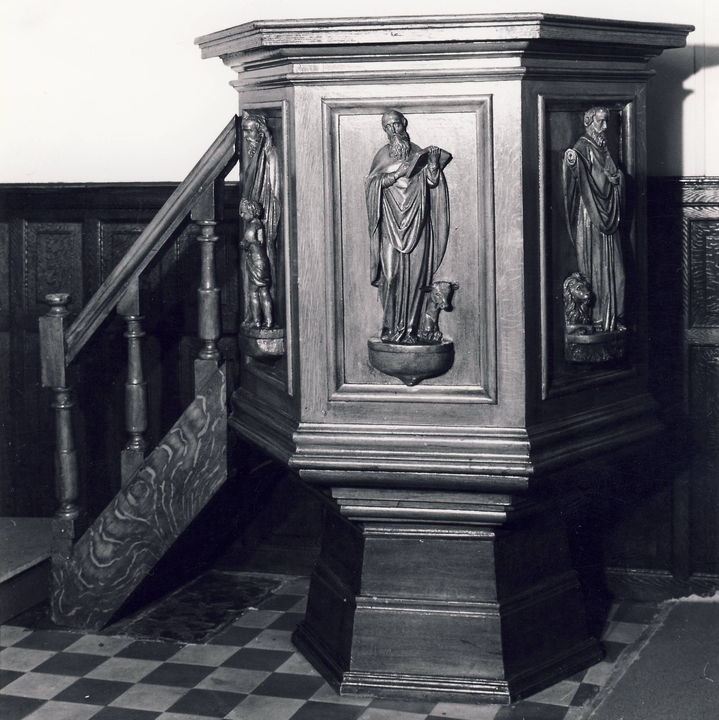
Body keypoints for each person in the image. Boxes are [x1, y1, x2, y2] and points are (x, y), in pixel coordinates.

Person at [365, 109, 452, 344]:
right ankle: (390, 328)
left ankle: (411, 330)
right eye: (387, 127)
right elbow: (372, 185)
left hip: (417, 223)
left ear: (404, 123)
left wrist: (433, 164)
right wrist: (396, 175)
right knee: (391, 275)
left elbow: (432, 183)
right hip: (391, 225)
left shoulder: (417, 153)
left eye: (396, 124)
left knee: (415, 278)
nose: (393, 130)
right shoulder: (382, 155)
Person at [563, 107, 625, 333]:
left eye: (606, 122)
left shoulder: (603, 147)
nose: (605, 127)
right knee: (594, 268)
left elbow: (612, 174)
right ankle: (596, 319)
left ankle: (612, 317)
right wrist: (572, 162)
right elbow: (575, 171)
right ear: (589, 122)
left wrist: (617, 179)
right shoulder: (582, 147)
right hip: (590, 216)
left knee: (617, 271)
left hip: (609, 215)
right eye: (601, 122)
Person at [240, 112, 280, 326]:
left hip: (259, 255)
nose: (246, 136)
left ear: (261, 132)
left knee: (259, 289)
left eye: (250, 131)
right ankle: (257, 320)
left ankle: (265, 321)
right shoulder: (253, 155)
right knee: (256, 290)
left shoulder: (267, 154)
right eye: (244, 131)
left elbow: (273, 187)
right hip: (254, 255)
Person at [240, 199, 273, 329]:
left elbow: (248, 240)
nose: (242, 215)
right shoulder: (259, 224)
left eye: (244, 213)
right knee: (264, 291)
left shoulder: (252, 226)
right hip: (262, 261)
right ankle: (269, 321)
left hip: (255, 262)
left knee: (253, 292)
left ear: (252, 212)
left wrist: (244, 244)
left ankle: (257, 321)